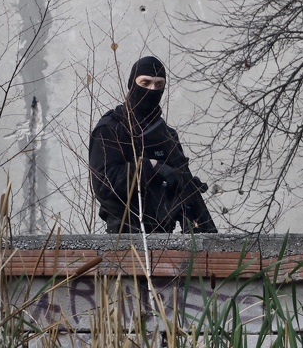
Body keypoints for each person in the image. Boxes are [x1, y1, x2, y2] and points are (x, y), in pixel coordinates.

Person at [89, 55, 217, 234]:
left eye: (159, 85)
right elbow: (104, 184)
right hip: (125, 237)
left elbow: (182, 194)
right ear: (132, 84)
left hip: (164, 237)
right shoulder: (112, 128)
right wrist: (151, 167)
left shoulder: (167, 135)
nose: (152, 89)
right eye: (145, 83)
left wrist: (185, 197)